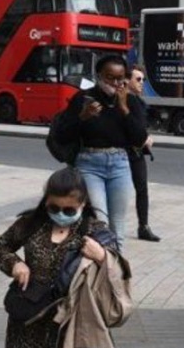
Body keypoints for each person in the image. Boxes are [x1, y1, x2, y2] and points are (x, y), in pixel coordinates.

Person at [0, 167, 110, 348]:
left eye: (69, 210)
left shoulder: (94, 230)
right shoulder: (31, 223)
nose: (60, 214)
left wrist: (101, 256)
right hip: (29, 325)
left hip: (72, 329)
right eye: (54, 207)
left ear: (83, 203)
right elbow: (0, 246)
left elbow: (118, 270)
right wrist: (15, 264)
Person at [54, 54, 148, 247]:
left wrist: (124, 108)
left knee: (117, 228)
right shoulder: (83, 99)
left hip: (120, 164)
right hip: (89, 165)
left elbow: (140, 138)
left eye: (120, 78)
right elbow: (62, 135)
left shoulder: (130, 102)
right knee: (100, 223)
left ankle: (115, 266)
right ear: (98, 76)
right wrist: (82, 117)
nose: (115, 83)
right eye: (109, 77)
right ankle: (102, 263)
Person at [126, 64, 159, 242]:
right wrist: (144, 137)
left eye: (143, 79)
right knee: (117, 189)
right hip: (123, 153)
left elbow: (140, 125)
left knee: (142, 188)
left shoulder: (138, 101)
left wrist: (145, 137)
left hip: (136, 153)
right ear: (127, 80)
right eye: (138, 79)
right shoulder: (122, 100)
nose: (142, 83)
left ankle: (143, 226)